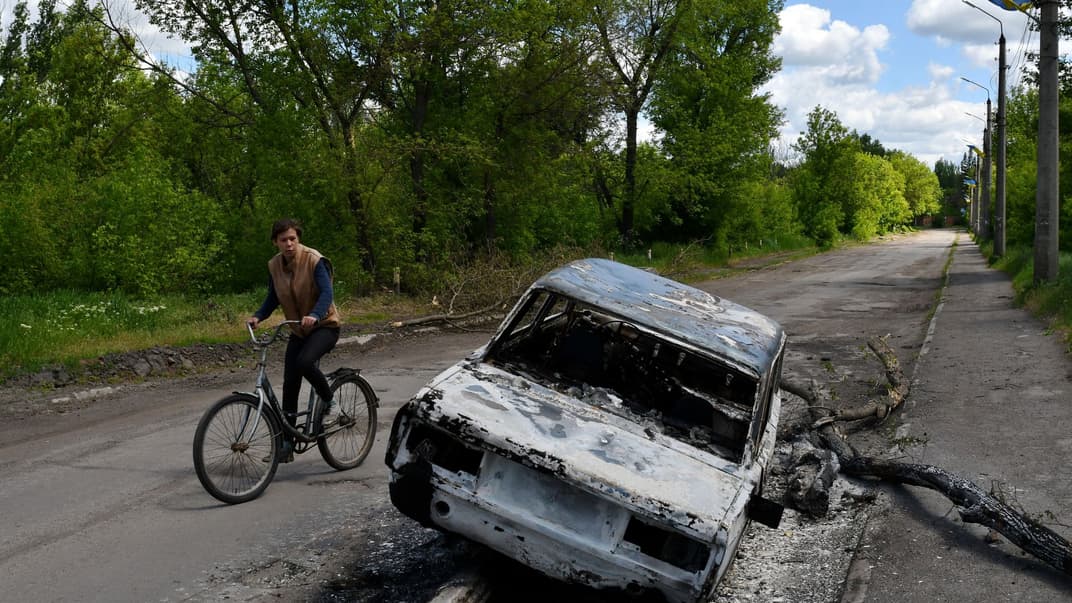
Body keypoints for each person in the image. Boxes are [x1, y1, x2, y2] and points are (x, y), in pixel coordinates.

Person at [248, 218, 341, 463]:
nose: (289, 244)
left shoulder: (314, 260)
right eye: (283, 240)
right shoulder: (275, 266)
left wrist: (315, 314)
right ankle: (286, 445)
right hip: (299, 330)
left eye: (293, 239)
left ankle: (331, 403)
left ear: (298, 239)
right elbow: (273, 298)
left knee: (304, 362)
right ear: (275, 242)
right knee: (290, 384)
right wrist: (258, 316)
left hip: (324, 326)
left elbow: (327, 293)